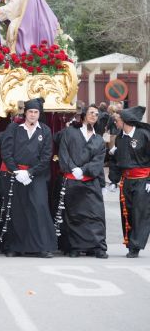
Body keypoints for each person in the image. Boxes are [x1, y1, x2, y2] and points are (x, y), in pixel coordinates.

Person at [0, 98, 57, 257]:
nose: (33, 115)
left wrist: (30, 173)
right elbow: (6, 152)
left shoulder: (45, 131)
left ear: (39, 114)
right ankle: (15, 247)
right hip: (16, 175)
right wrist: (16, 171)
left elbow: (46, 157)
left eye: (36, 112)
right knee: (17, 210)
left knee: (39, 208)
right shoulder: (14, 128)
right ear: (25, 113)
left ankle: (41, 247)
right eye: (30, 112)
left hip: (36, 176)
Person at [58, 104, 108, 258]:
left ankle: (98, 247)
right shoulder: (70, 132)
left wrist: (84, 170)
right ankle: (75, 247)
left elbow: (98, 161)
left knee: (95, 215)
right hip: (72, 181)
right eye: (91, 113)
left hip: (90, 182)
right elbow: (64, 152)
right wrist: (73, 168)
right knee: (74, 215)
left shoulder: (99, 139)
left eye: (97, 114)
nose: (94, 116)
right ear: (84, 115)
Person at [108, 106, 150, 258]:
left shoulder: (144, 135)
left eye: (117, 121)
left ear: (125, 121)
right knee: (128, 213)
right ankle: (131, 243)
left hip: (143, 181)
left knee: (140, 213)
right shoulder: (120, 138)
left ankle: (136, 246)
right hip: (126, 181)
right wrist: (113, 180)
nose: (115, 123)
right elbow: (116, 160)